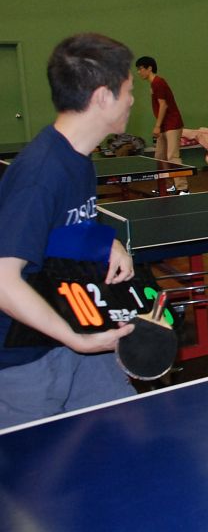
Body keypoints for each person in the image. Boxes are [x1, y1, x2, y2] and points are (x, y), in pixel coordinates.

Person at [0, 33, 137, 428]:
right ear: (103, 97)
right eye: (128, 90)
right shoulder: (41, 174)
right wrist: (74, 338)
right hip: (24, 356)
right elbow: (4, 282)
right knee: (35, 462)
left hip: (69, 330)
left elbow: (58, 232)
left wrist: (106, 241)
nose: (132, 100)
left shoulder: (77, 157)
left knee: (125, 426)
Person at [135, 56, 189, 194]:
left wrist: (157, 126)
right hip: (164, 125)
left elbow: (163, 105)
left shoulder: (158, 82)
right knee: (160, 157)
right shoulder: (154, 84)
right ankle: (168, 185)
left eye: (140, 69)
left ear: (149, 68)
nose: (139, 72)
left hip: (172, 124)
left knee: (172, 156)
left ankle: (183, 188)